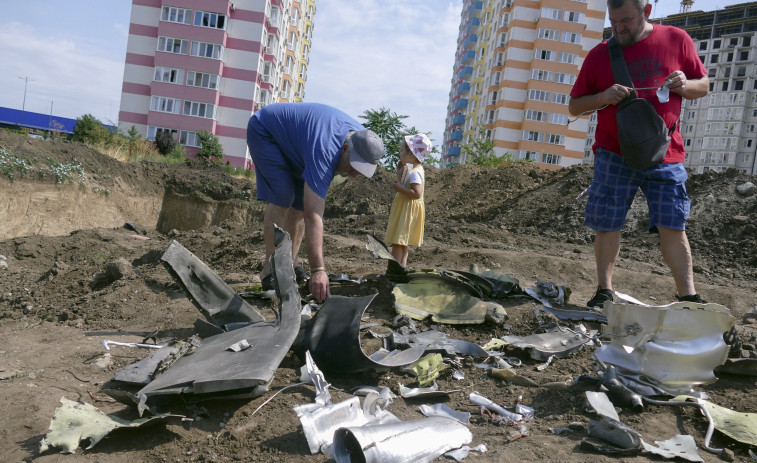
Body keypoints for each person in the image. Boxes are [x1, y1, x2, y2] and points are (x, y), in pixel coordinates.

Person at [568, 0, 709, 308]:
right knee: (608, 223)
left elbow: (704, 85)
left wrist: (687, 85)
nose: (618, 28)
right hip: (614, 152)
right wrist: (604, 96)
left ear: (646, 11)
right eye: (614, 21)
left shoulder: (676, 39)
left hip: (666, 151)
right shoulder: (599, 55)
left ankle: (688, 297)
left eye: (626, 21)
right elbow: (575, 106)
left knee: (673, 223)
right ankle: (604, 290)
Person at [246, 102, 384, 302]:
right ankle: (270, 269)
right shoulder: (326, 149)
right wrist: (318, 269)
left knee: (300, 202)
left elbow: (305, 209)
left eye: (361, 171)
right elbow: (314, 216)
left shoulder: (363, 141)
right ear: (345, 149)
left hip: (299, 144)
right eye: (354, 166)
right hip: (266, 131)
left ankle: (289, 265)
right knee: (283, 194)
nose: (354, 175)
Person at [385, 133, 431, 267]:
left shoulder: (416, 172)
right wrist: (400, 177)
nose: (400, 153)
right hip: (406, 209)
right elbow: (406, 185)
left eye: (401, 150)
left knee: (398, 242)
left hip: (407, 211)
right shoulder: (413, 170)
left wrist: (398, 188)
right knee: (402, 242)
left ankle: (393, 270)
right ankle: (401, 269)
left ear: (411, 153)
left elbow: (417, 193)